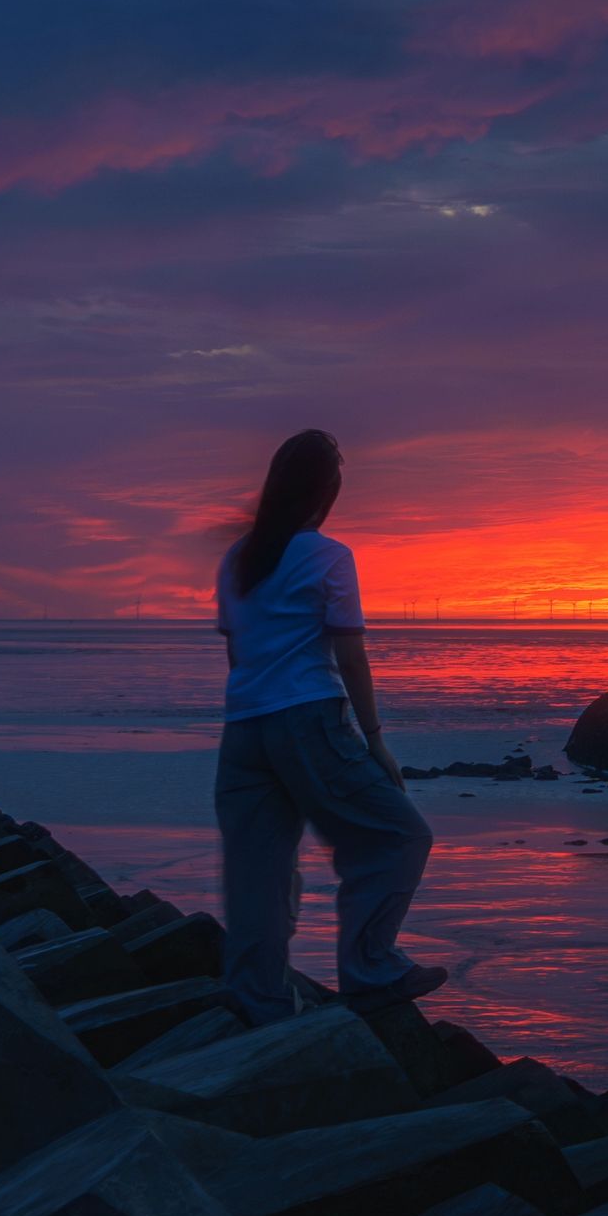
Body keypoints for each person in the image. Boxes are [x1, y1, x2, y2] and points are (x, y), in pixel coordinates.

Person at [211, 430, 439, 1026]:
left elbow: (240, 654)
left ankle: (257, 1002)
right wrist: (375, 738)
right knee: (398, 836)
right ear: (328, 492)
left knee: (256, 871)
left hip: (244, 728)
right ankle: (371, 970)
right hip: (308, 717)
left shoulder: (237, 558)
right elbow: (350, 655)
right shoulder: (328, 556)